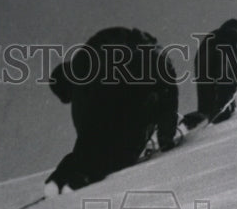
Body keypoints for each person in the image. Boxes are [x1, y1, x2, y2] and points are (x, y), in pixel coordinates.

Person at [45, 27, 180, 194]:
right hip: (126, 97)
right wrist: (166, 136)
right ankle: (80, 180)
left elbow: (85, 124)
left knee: (94, 145)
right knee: (117, 154)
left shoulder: (88, 58)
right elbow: (167, 96)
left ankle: (58, 179)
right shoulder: (154, 59)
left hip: (109, 94)